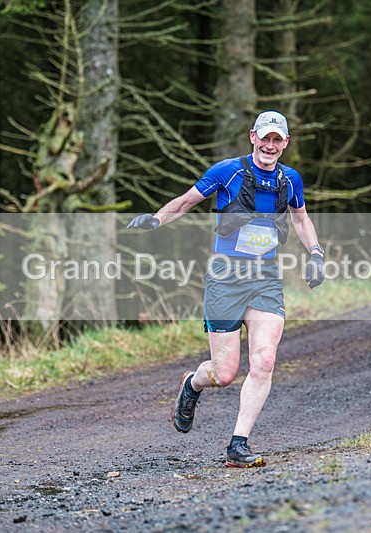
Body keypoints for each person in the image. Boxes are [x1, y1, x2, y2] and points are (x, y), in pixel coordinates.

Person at [127, 110, 325, 468]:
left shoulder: (290, 179)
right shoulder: (227, 171)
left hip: (264, 278)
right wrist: (156, 219)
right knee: (225, 373)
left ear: (285, 144)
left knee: (264, 361)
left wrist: (316, 253)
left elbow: (300, 217)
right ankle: (193, 384)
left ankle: (238, 443)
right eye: (264, 137)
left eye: (276, 139)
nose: (269, 145)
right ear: (252, 137)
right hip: (225, 277)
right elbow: (187, 201)